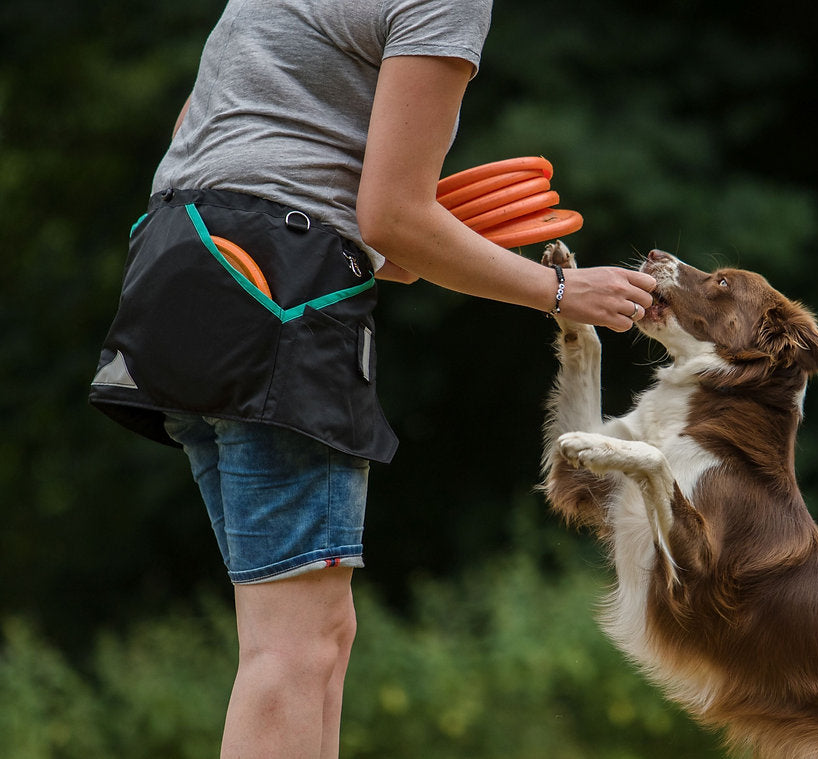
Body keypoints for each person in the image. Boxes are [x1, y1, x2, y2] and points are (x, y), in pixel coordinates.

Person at [89, 0, 656, 757]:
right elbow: (391, 215)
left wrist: (365, 228)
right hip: (277, 292)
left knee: (315, 631)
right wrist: (559, 293)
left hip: (180, 266)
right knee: (295, 647)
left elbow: (207, 125)